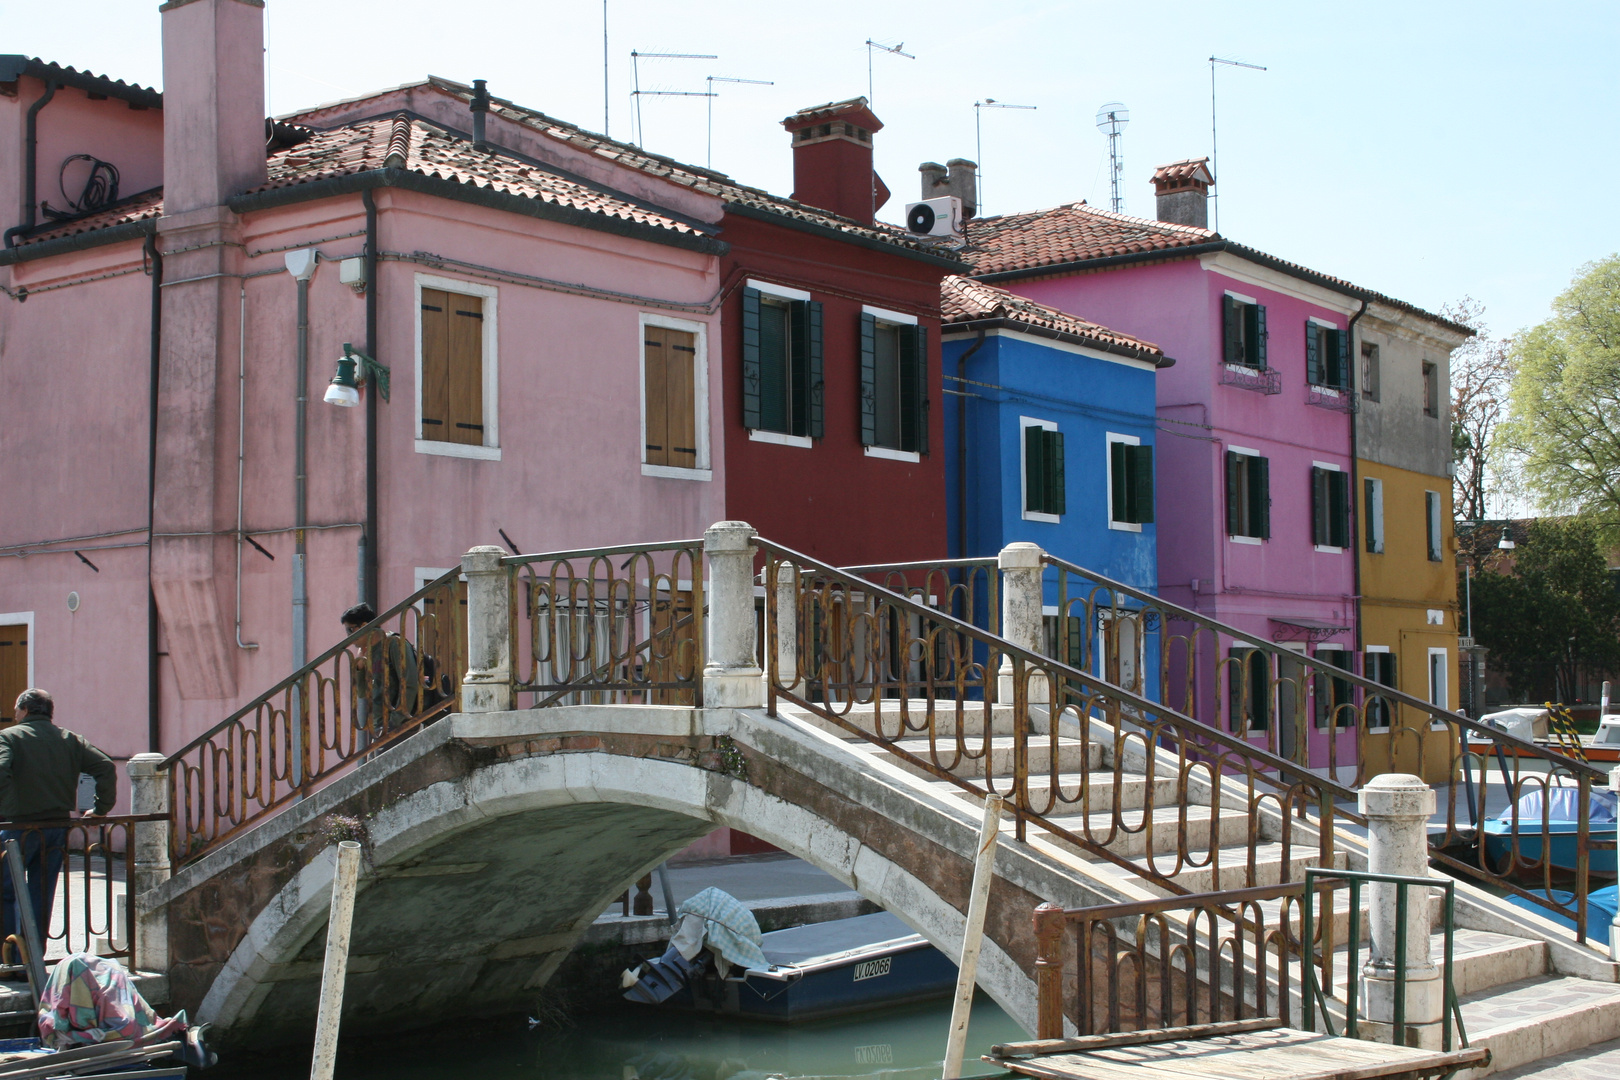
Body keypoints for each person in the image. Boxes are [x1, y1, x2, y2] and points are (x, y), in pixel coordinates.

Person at [0, 690, 117, 974]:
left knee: (7, 892)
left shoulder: (9, 737)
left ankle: (9, 959)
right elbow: (105, 766)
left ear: (24, 710)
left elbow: (1, 770)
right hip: (55, 827)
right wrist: (101, 809)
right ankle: (32, 958)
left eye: (17, 710)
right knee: (42, 891)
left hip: (16, 826)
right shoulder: (70, 740)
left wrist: (7, 806)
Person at [341, 603, 420, 735]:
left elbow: (410, 682)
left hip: (400, 726)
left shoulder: (393, 643)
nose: (348, 636)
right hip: (379, 726)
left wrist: (394, 722)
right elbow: (362, 693)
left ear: (364, 626)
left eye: (350, 630)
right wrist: (359, 667)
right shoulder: (368, 653)